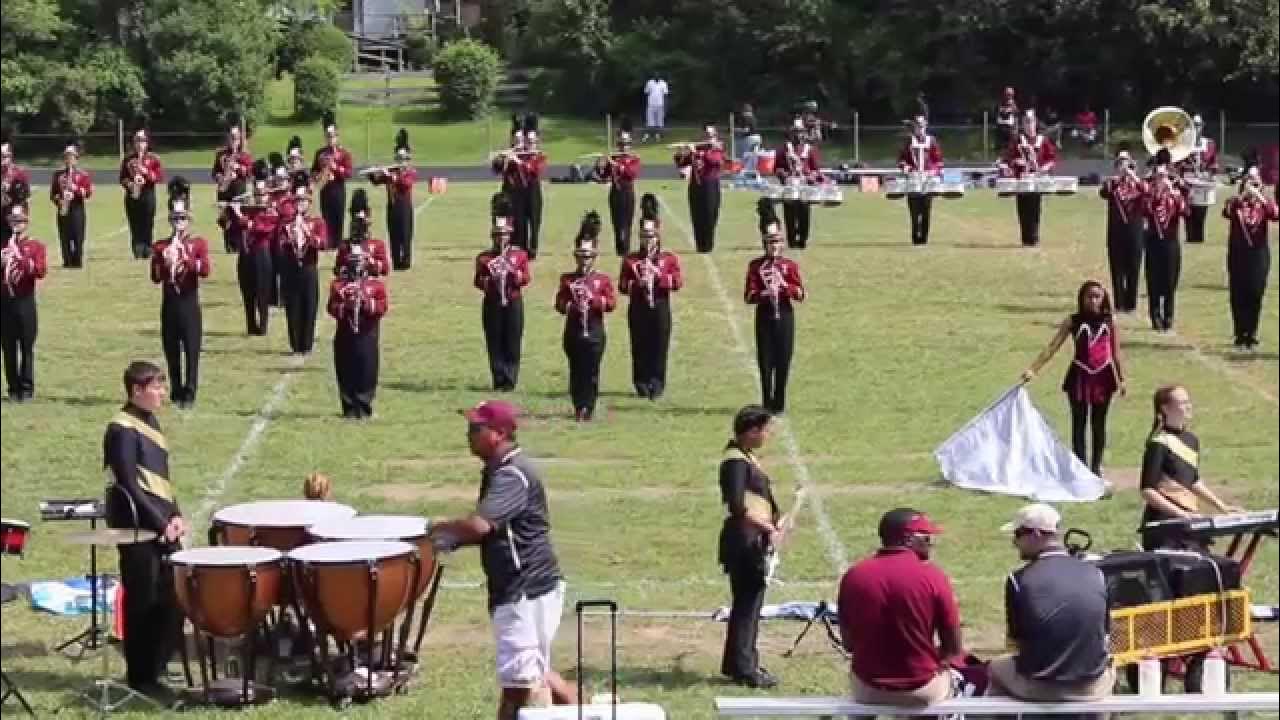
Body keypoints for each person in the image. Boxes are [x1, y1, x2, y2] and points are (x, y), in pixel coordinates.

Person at [427, 400, 576, 719]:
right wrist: (452, 540)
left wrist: (435, 530)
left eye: (476, 428)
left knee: (518, 686)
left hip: (523, 591)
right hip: (534, 586)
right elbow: (496, 532)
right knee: (535, 671)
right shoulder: (502, 470)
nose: (469, 434)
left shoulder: (511, 475)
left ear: (500, 433)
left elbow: (481, 526)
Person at [103, 360, 186, 701]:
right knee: (143, 601)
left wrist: (176, 514)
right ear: (137, 391)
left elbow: (159, 482)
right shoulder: (121, 429)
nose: (162, 393)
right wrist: (160, 522)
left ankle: (159, 664)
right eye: (157, 388)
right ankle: (141, 674)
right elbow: (129, 483)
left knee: (172, 598)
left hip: (161, 525)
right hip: (137, 529)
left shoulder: (149, 422)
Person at [988, 504, 1115, 701]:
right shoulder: (1097, 573)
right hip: (1092, 685)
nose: (1015, 542)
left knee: (995, 668)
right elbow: (1104, 634)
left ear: (1037, 534)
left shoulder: (1018, 579)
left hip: (1041, 686)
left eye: (1018, 534)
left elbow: (1015, 641)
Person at [837, 508, 964, 706]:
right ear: (908, 539)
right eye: (926, 537)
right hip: (921, 689)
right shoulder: (933, 576)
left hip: (867, 689)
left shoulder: (853, 575)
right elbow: (954, 649)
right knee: (964, 678)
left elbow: (849, 645)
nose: (931, 543)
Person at [1021, 280, 1126, 476]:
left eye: (1097, 296)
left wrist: (1122, 379)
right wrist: (1033, 369)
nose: (1093, 300)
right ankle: (1080, 466)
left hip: (1103, 377)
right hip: (1080, 375)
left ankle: (1096, 467)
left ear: (1103, 298)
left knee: (1099, 423)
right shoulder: (1073, 321)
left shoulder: (1110, 321)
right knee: (1079, 423)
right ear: (1082, 298)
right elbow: (1053, 347)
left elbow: (1116, 353)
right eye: (1089, 296)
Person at [718, 405, 782, 689]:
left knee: (748, 603)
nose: (767, 435)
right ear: (752, 431)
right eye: (765, 429)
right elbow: (736, 504)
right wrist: (767, 527)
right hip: (744, 542)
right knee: (748, 605)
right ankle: (745, 668)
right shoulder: (735, 461)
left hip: (752, 539)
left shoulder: (745, 458)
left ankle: (737, 662)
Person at [1139, 385, 1241, 551]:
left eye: (1189, 401)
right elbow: (1148, 490)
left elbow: (1192, 480)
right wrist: (1181, 515)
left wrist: (1221, 506)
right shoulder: (1158, 443)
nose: (1189, 406)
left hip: (1190, 520)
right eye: (1183, 402)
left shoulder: (1191, 440)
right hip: (1165, 525)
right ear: (1165, 408)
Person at [150, 182, 210, 410]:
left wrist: (185, 258)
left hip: (189, 303)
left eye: (183, 218)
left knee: (192, 350)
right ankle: (175, 389)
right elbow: (155, 278)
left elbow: (205, 269)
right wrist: (164, 262)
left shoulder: (198, 243)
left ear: (189, 219)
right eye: (175, 218)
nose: (179, 223)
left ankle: (190, 390)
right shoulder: (160, 245)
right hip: (170, 303)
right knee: (171, 349)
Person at [327, 207, 389, 420]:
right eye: (352, 265)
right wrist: (346, 305)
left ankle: (364, 404)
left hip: (367, 332)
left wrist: (366, 304)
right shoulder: (338, 285)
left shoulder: (375, 285)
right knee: (344, 366)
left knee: (367, 367)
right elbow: (331, 307)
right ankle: (347, 405)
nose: (355, 269)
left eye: (359, 265)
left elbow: (382, 306)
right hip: (345, 332)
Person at [619, 194, 683, 400]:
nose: (648, 240)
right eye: (644, 236)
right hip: (638, 307)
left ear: (658, 236)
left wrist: (658, 278)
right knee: (639, 344)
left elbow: (677, 282)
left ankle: (657, 382)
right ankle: (641, 382)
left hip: (661, 306)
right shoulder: (631, 259)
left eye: (651, 235)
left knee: (659, 344)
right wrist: (639, 282)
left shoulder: (668, 259)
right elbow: (622, 286)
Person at [746, 200, 805, 414]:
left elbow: (800, 293)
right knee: (765, 361)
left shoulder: (789, 266)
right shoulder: (755, 266)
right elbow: (749, 295)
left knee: (783, 359)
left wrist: (784, 288)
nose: (775, 246)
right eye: (771, 242)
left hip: (785, 316)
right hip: (765, 316)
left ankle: (779, 401)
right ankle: (766, 400)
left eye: (778, 241)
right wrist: (764, 293)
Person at [555, 213, 616, 421]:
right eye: (581, 256)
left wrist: (593, 301)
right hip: (573, 333)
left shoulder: (602, 280)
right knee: (575, 371)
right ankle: (577, 404)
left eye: (588, 256)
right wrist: (573, 304)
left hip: (595, 333)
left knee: (591, 372)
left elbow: (611, 304)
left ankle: (587, 407)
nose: (584, 261)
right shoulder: (567, 279)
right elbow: (559, 304)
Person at [475, 193, 531, 392]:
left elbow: (525, 278)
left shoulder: (519, 255)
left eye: (504, 235)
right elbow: (478, 281)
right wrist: (492, 279)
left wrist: (513, 275)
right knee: (494, 340)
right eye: (498, 235)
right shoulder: (484, 257)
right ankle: (498, 377)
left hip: (513, 301)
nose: (501, 239)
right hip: (492, 302)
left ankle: (510, 377)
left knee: (513, 339)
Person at [1223, 168, 1278, 349]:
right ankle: (1240, 333)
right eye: (1250, 182)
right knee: (1238, 294)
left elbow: (1275, 214)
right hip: (1238, 254)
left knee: (1255, 293)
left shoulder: (1264, 203)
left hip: (1258, 255)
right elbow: (1227, 211)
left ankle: (1252, 332)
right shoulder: (1236, 203)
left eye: (1256, 182)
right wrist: (1244, 194)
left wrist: (1259, 196)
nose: (1253, 185)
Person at [1, 205, 48, 402]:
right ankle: (13, 388)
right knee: (8, 347)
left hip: (25, 301)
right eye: (13, 220)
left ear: (26, 223)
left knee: (26, 346)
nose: (16, 224)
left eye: (20, 221)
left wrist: (20, 259)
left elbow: (40, 271)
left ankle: (27, 389)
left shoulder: (36, 246)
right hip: (4, 303)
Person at [227, 161, 277, 336]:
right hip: (245, 254)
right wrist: (229, 213)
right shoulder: (248, 208)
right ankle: (250, 325)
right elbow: (231, 227)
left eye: (262, 193)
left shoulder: (270, 210)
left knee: (262, 291)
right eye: (257, 193)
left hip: (262, 254)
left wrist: (241, 215)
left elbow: (260, 228)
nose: (259, 196)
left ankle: (262, 326)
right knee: (247, 290)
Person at [279, 177, 326, 356]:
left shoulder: (317, 222)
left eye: (303, 201)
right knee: (293, 307)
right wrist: (292, 234)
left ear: (309, 203)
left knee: (309, 306)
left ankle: (307, 344)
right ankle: (295, 344)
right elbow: (281, 245)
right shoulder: (286, 224)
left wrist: (307, 233)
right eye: (297, 201)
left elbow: (322, 243)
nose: (300, 204)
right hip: (291, 270)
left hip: (309, 268)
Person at [1143, 152, 1189, 333]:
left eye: (1164, 176)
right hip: (1153, 242)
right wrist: (1157, 192)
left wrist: (1173, 192)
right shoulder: (1149, 197)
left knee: (1170, 281)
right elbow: (1145, 210)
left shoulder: (1175, 197)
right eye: (1159, 177)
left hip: (1171, 243)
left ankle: (1169, 316)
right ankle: (1155, 317)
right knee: (1153, 281)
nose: (1162, 180)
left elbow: (1186, 212)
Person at [999, 110, 1058, 247]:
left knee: (1035, 208)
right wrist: (1015, 163)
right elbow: (1008, 158)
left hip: (1037, 179)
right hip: (1022, 180)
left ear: (1035, 123)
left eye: (1031, 121)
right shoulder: (1018, 140)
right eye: (1026, 122)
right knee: (1022, 209)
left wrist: (1044, 168)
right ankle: (1025, 239)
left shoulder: (1042, 140)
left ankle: (1034, 238)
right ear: (1023, 124)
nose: (1029, 125)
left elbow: (1052, 159)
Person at [492, 115, 548, 259]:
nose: (524, 143)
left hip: (532, 191)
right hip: (514, 192)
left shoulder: (537, 155)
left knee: (534, 221)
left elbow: (533, 170)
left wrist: (517, 160)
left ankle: (533, 248)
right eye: (518, 141)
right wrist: (503, 158)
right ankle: (516, 247)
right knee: (518, 220)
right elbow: (497, 169)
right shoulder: (513, 154)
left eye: (531, 141)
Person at [1099, 150, 1147, 312]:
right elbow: (1104, 193)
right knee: (1117, 268)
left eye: (1126, 163)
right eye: (1120, 163)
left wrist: (1133, 176)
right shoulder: (1112, 184)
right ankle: (1119, 302)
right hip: (1116, 232)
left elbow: (1147, 192)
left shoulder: (1139, 184)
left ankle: (1131, 303)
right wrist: (1117, 179)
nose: (1123, 167)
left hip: (1135, 232)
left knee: (1134, 267)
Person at [367, 128, 417, 271]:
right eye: (398, 159)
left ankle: (406, 262)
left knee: (405, 234)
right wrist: (372, 173)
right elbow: (377, 181)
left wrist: (391, 176)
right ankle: (396, 261)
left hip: (404, 207)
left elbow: (405, 184)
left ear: (407, 160)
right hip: (392, 206)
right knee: (393, 234)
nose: (400, 161)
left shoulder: (410, 172)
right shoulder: (391, 171)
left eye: (403, 159)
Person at [674, 124, 725, 253]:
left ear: (715, 136)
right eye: (706, 135)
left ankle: (708, 245)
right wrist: (681, 152)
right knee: (696, 215)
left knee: (709, 215)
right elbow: (681, 163)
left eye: (711, 135)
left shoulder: (717, 148)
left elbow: (715, 161)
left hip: (710, 186)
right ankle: (700, 245)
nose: (708, 137)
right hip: (695, 186)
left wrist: (696, 152)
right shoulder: (697, 149)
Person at [596, 118, 641, 256]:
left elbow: (631, 174)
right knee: (617, 223)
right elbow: (604, 177)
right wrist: (600, 166)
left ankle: (626, 248)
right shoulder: (613, 158)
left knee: (627, 223)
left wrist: (618, 165)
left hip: (627, 193)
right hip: (615, 193)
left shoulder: (634, 158)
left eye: (626, 144)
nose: (624, 146)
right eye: (621, 144)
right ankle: (619, 249)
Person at [775, 120, 822, 249]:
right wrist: (784, 175)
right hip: (790, 184)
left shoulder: (809, 149)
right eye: (795, 132)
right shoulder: (784, 149)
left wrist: (812, 176)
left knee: (804, 213)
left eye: (800, 132)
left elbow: (816, 169)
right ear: (791, 133)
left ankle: (802, 239)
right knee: (789, 213)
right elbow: (777, 167)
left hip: (804, 184)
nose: (798, 135)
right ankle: (791, 239)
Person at [898, 115, 944, 245]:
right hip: (913, 178)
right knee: (914, 211)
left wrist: (935, 170)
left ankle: (924, 239)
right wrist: (906, 167)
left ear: (926, 126)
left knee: (926, 210)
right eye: (918, 125)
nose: (920, 128)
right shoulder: (908, 141)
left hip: (928, 179)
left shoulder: (932, 140)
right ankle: (915, 238)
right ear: (915, 127)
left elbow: (938, 160)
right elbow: (901, 159)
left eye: (922, 125)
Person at [311, 111, 354, 252]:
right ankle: (328, 240)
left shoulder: (344, 154)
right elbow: (313, 170)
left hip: (338, 188)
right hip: (325, 188)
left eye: (333, 136)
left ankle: (337, 242)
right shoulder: (320, 153)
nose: (330, 139)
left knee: (338, 215)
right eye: (328, 136)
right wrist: (317, 176)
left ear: (337, 136)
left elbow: (348, 173)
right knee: (326, 215)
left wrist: (337, 168)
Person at [120, 129, 165, 260]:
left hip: (148, 194)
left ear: (147, 143)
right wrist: (130, 185)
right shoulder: (128, 159)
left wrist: (146, 172)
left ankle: (148, 248)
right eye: (137, 141)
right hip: (132, 195)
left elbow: (159, 177)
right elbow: (122, 177)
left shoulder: (153, 158)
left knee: (148, 222)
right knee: (134, 223)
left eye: (142, 141)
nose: (139, 144)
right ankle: (137, 249)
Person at [49, 139, 93, 268]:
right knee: (64, 237)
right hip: (63, 208)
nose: (69, 160)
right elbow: (53, 194)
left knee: (78, 236)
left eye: (71, 157)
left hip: (77, 209)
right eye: (66, 157)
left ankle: (77, 260)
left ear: (76, 158)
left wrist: (76, 190)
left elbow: (88, 193)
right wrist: (60, 201)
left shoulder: (83, 175)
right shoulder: (58, 175)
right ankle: (67, 261)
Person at [212, 119, 254, 254]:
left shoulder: (245, 155)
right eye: (231, 137)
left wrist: (238, 168)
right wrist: (220, 177)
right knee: (226, 220)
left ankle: (241, 245)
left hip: (239, 191)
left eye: (236, 137)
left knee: (239, 219)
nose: (233, 140)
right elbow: (215, 172)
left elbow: (250, 173)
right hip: (224, 191)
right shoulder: (221, 154)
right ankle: (229, 246)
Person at [1180, 113, 1220, 244]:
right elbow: (1176, 164)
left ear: (1202, 126)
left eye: (1197, 125)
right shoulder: (1182, 144)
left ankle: (1199, 238)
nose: (1195, 128)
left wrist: (1211, 174)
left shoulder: (1209, 144)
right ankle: (1190, 237)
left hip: (1203, 182)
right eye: (1193, 125)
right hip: (1187, 183)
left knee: (1201, 212)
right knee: (1188, 212)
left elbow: (1214, 163)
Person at [1, 132, 32, 244]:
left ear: (10, 155)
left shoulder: (19, 173)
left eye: (4, 155)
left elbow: (25, 197)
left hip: (12, 217)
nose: (2, 159)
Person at [642, 73, 669, 143]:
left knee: (659, 121)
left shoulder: (663, 83)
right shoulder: (649, 82)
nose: (656, 76)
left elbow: (665, 95)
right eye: (655, 75)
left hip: (660, 105)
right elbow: (646, 93)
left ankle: (658, 135)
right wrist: (647, 103)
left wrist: (665, 106)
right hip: (651, 105)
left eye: (658, 75)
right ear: (653, 76)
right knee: (650, 121)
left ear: (659, 76)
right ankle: (647, 135)